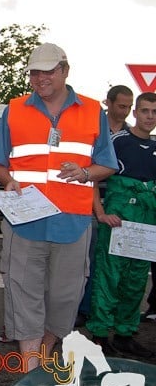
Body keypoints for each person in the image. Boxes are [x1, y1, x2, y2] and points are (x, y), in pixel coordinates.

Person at [0, 43, 117, 373]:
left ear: (65, 71)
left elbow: (108, 164)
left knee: (63, 303)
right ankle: (31, 376)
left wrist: (86, 173)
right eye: (34, 72)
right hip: (25, 223)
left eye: (48, 71)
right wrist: (8, 181)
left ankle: (42, 360)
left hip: (72, 224)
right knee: (23, 298)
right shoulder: (14, 109)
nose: (40, 78)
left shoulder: (91, 111)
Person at [86, 92, 156, 358]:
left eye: (154, 112)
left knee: (136, 281)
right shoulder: (117, 142)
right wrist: (101, 213)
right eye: (145, 111)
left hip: (147, 226)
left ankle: (125, 334)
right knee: (108, 280)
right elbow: (92, 177)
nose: (150, 116)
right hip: (118, 221)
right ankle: (101, 335)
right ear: (135, 113)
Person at [76, 85, 134, 326]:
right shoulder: (93, 130)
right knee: (85, 261)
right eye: (121, 106)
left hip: (117, 207)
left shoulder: (130, 136)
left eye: (129, 107)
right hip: (89, 203)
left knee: (108, 264)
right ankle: (82, 309)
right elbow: (90, 172)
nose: (126, 111)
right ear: (107, 103)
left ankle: (98, 311)